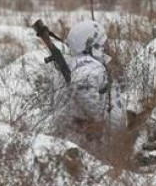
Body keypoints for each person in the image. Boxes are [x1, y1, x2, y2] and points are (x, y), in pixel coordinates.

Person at [53, 20, 125, 148]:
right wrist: (97, 122)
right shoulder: (89, 67)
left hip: (77, 139)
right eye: (102, 43)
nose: (105, 47)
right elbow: (82, 89)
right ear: (91, 44)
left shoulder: (75, 63)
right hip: (88, 141)